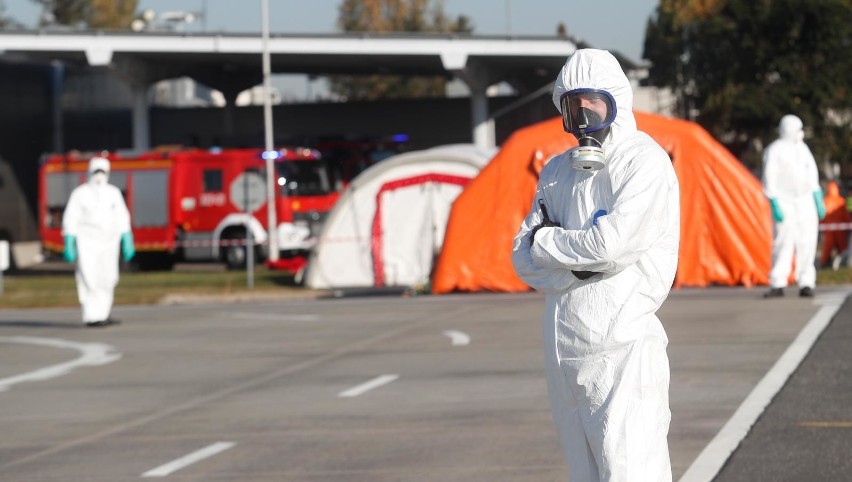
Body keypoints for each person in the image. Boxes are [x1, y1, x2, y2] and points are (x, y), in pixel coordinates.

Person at [512, 49, 679, 481]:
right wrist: (578, 258)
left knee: (631, 469)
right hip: (564, 351)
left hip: (623, 346)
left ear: (617, 101)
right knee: (583, 473)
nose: (584, 118)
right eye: (574, 107)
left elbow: (611, 245)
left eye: (594, 103)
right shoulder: (555, 172)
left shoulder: (643, 162)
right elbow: (522, 258)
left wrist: (549, 243)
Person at [62, 156, 135, 327]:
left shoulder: (113, 193)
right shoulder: (80, 194)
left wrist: (127, 238)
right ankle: (92, 315)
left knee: (109, 277)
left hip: (110, 242)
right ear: (89, 172)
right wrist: (69, 241)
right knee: (89, 277)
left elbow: (122, 217)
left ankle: (104, 312)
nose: (99, 175)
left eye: (102, 171)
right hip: (88, 243)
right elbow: (71, 218)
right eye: (96, 171)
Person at [761, 114, 825, 298]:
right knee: (783, 242)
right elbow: (769, 177)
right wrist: (774, 202)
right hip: (784, 201)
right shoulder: (774, 150)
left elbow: (812, 175)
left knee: (808, 241)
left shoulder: (803, 149)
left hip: (805, 201)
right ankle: (778, 282)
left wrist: (817, 198)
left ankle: (806, 282)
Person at [818, 180, 849, 268]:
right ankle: (845, 263)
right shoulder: (841, 201)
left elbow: (822, 216)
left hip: (829, 231)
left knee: (828, 248)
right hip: (839, 230)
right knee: (843, 248)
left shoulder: (826, 201)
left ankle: (824, 263)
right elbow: (846, 216)